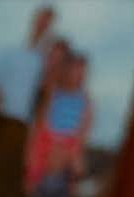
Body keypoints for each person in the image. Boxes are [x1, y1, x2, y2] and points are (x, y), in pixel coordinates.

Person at [26, 45, 93, 197]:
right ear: (68, 71)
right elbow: (43, 118)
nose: (80, 75)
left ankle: (72, 186)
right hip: (50, 133)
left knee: (76, 163)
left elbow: (85, 127)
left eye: (83, 72)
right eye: (76, 70)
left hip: (70, 139)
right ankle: (33, 180)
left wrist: (76, 145)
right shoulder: (55, 92)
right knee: (40, 152)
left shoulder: (85, 100)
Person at [0, 4, 57, 119]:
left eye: (48, 24)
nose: (43, 27)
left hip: (20, 124)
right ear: (34, 21)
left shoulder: (45, 63)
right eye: (42, 20)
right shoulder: (10, 52)